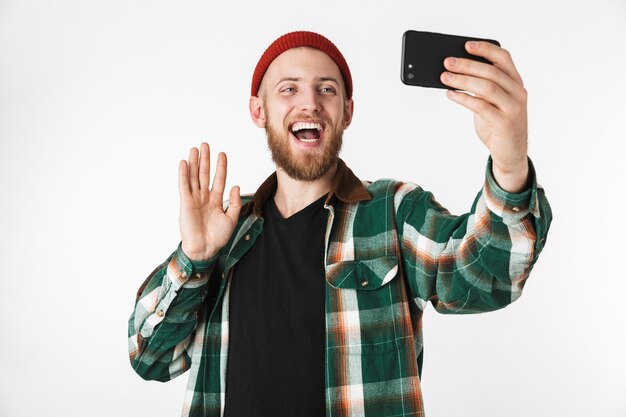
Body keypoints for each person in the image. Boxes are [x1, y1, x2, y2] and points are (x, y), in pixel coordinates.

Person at [128, 31, 552, 417]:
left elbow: (485, 277)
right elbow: (150, 358)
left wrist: (510, 164)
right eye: (288, 89)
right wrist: (194, 259)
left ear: (347, 111)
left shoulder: (394, 211)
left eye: (326, 90)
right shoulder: (226, 228)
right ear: (259, 111)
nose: (309, 102)